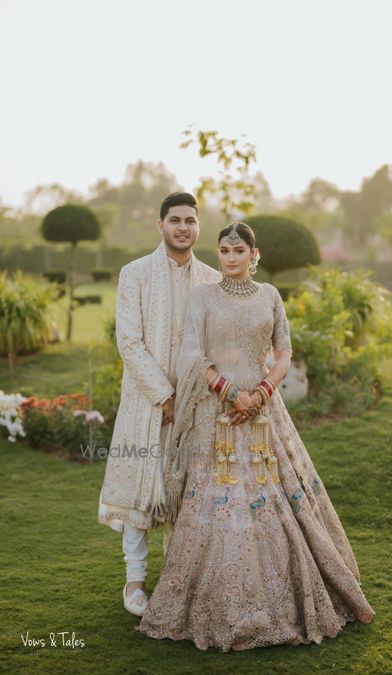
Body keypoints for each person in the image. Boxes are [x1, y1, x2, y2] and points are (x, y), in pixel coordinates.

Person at [136, 221, 375, 651]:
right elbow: (191, 352)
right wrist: (227, 392)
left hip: (264, 414)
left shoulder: (269, 296)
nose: (229, 258)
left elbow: (284, 352)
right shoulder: (204, 297)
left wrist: (261, 393)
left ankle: (285, 596)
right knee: (218, 498)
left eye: (237, 251)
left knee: (278, 494)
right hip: (218, 415)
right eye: (224, 251)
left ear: (254, 254)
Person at [97, 192, 220, 616]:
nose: (182, 227)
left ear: (198, 226)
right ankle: (134, 581)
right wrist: (164, 395)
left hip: (196, 405)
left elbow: (213, 343)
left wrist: (187, 396)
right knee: (141, 489)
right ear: (160, 224)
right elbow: (128, 342)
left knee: (187, 490)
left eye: (190, 220)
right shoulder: (135, 275)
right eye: (175, 220)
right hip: (145, 402)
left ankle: (178, 577)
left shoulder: (210, 279)